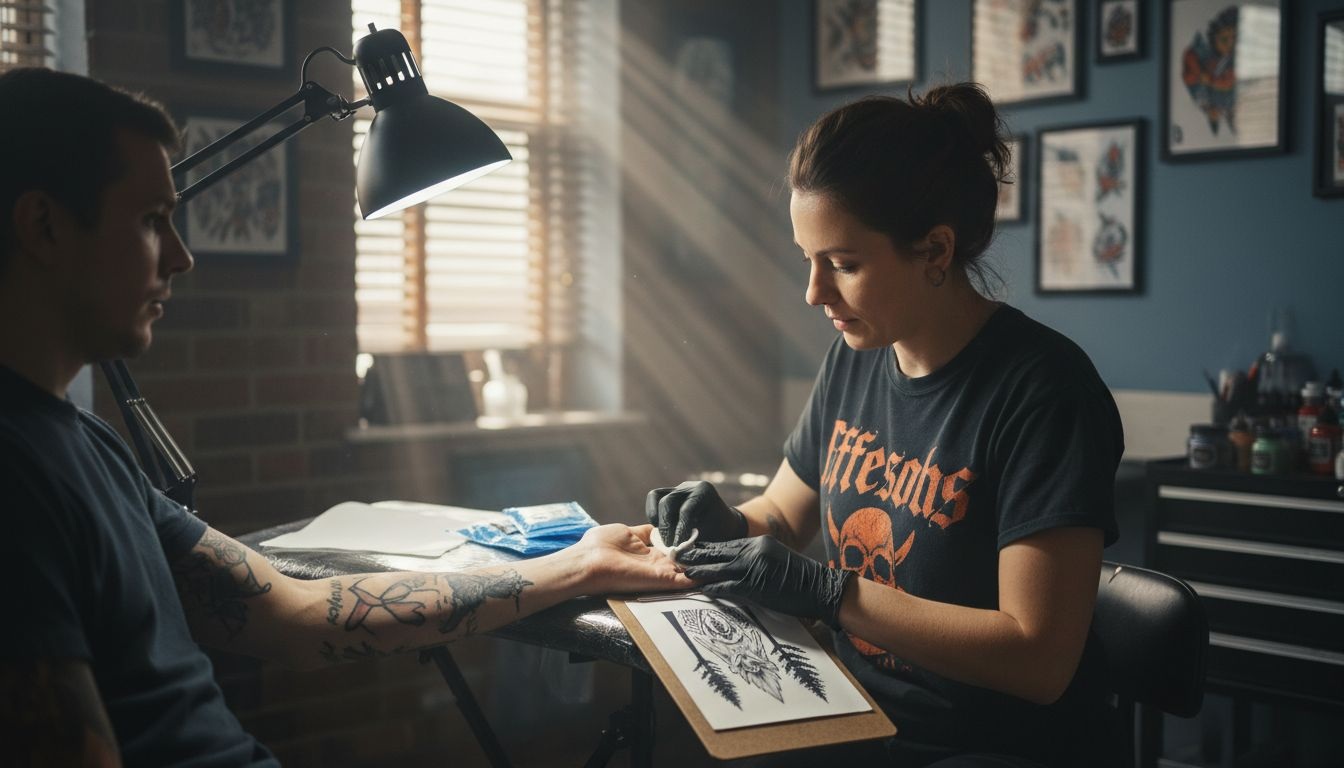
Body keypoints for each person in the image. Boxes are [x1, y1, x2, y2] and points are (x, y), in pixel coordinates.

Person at [0, 67, 690, 765]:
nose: (180, 257)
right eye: (152, 221)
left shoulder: (88, 447)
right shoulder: (15, 476)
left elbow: (292, 613)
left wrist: (577, 567)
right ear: (45, 224)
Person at [648, 83, 1124, 767]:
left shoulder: (1044, 392)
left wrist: (829, 592)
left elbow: (1039, 657)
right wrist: (726, 525)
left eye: (842, 265)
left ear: (934, 251)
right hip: (852, 715)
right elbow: (785, 510)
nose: (814, 293)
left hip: (991, 747)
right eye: (807, 260)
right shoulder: (857, 356)